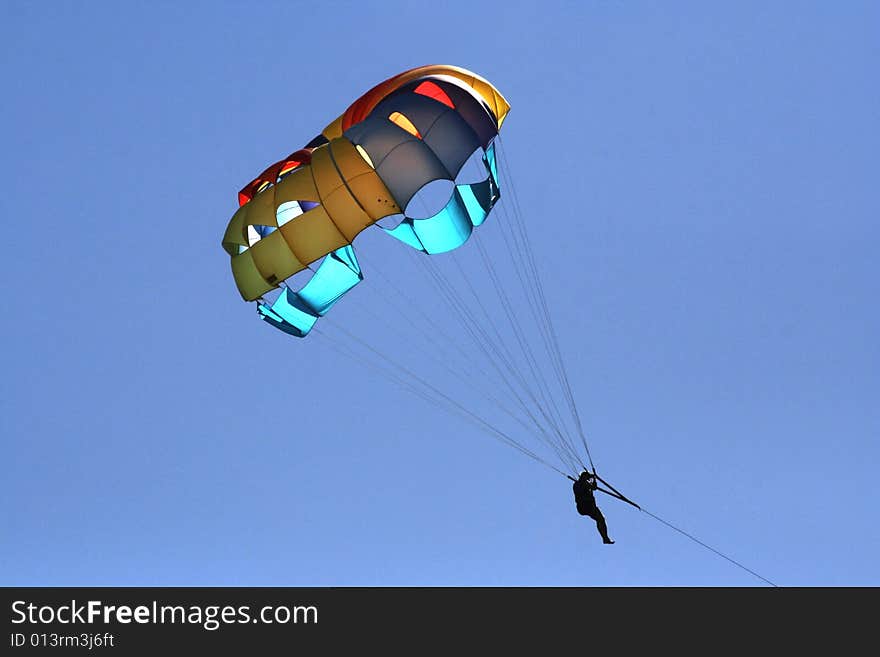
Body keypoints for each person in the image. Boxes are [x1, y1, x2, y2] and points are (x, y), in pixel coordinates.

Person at [573, 471, 614, 544]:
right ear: (583, 477)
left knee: (601, 519)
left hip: (589, 506)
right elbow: (592, 487)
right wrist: (593, 479)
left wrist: (594, 479)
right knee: (600, 519)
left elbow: (594, 488)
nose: (588, 479)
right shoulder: (577, 484)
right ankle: (605, 538)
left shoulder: (585, 483)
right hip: (584, 507)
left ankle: (605, 538)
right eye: (587, 478)